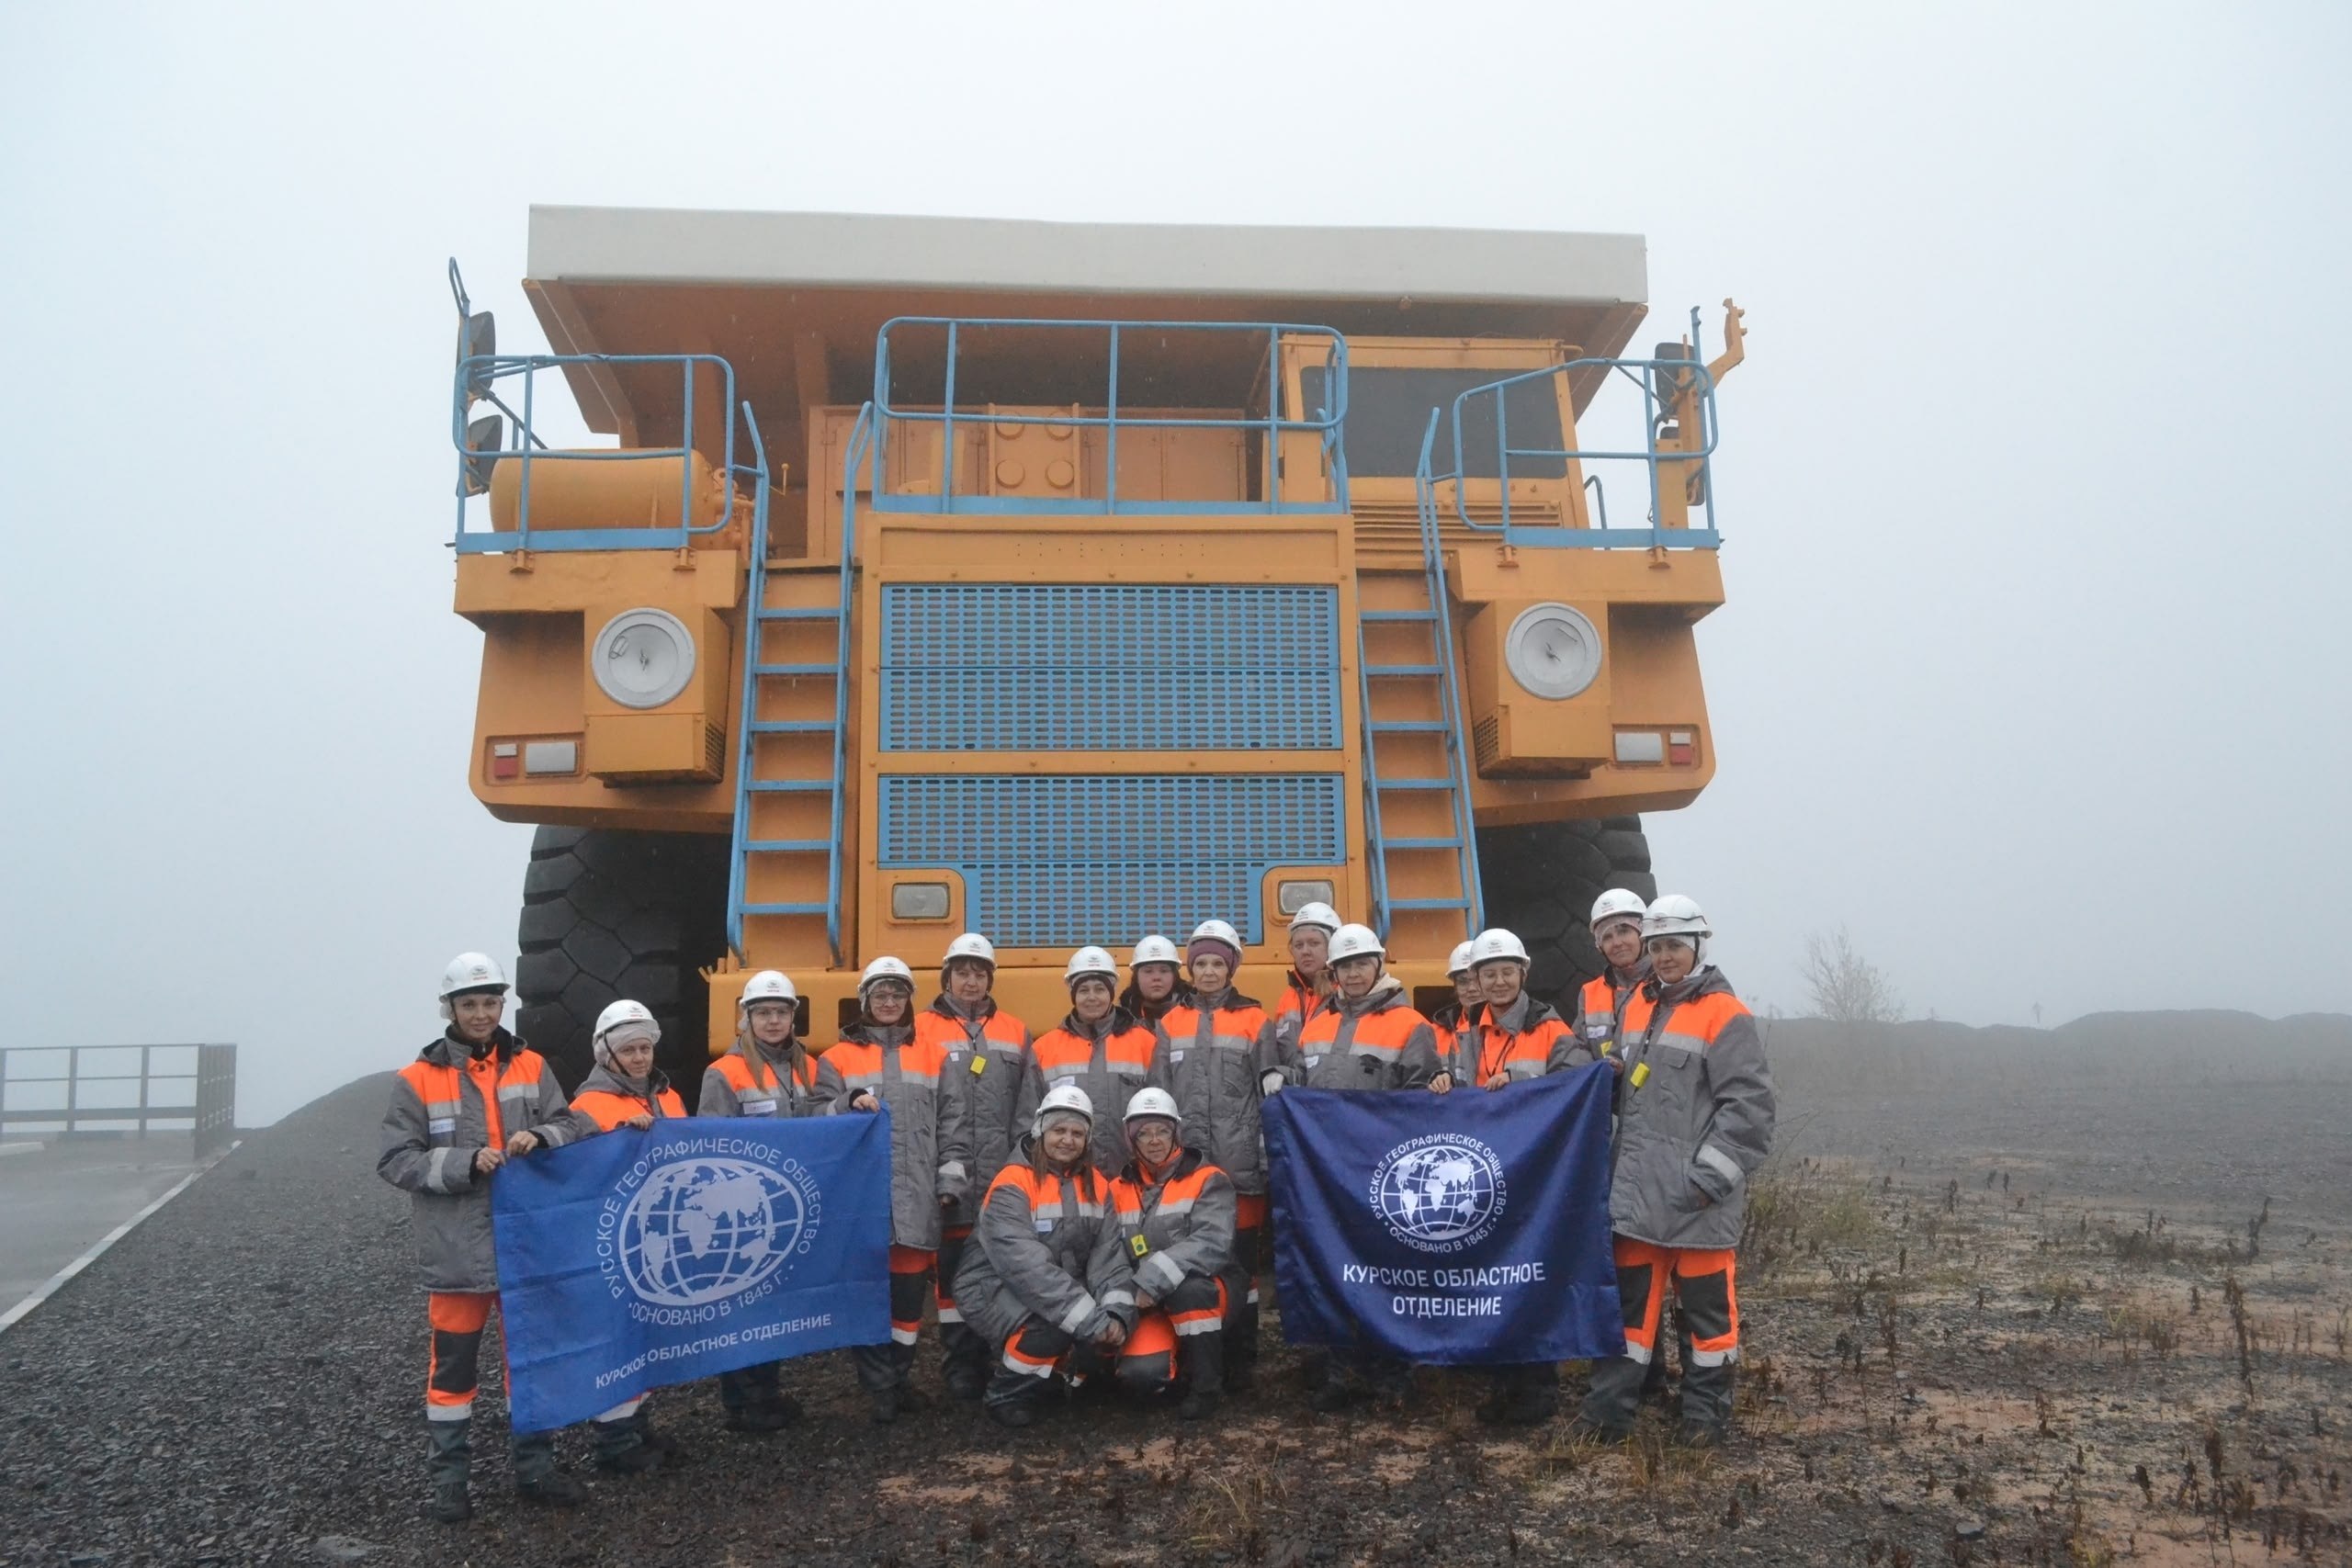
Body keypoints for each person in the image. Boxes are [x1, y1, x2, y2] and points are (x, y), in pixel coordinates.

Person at [379, 953, 589, 1523]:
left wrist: (540, 1137)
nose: (480, 1013)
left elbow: (570, 1124)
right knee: (452, 1374)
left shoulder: (533, 1065)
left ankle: (536, 1470)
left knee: (530, 1363)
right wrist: (466, 1163)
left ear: (503, 1005)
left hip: (526, 1250)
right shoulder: (416, 1080)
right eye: (468, 1003)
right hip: (457, 1255)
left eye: (489, 1002)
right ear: (449, 1008)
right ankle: (449, 1484)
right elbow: (396, 1161)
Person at [1571, 896, 1775, 1449]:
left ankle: (1704, 1418)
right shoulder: (1637, 1004)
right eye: (1657, 947)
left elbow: (1749, 1112)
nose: (1664, 957)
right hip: (1637, 1198)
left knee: (1707, 1322)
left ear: (1697, 948)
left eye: (1674, 947)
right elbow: (1625, 1082)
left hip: (1696, 1202)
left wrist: (1706, 1182)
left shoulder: (1726, 1015)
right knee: (1628, 1320)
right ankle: (1608, 1415)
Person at [1295, 923, 1447, 1411]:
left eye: (1362, 963)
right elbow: (1302, 1085)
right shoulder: (1317, 1022)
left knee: (1388, 1273)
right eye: (1345, 966)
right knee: (1335, 1268)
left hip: (1384, 1173)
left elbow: (1422, 1102)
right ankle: (1340, 1369)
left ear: (1379, 965)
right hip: (1326, 1174)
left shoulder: (1410, 1024)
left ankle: (1392, 1372)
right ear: (1333, 972)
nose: (1354, 973)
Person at [535, 999, 688, 1475]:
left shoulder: (671, 1098)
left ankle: (637, 1425)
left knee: (645, 1335)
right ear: (606, 1055)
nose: (641, 1057)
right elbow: (575, 1172)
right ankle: (614, 1443)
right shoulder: (587, 1106)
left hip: (662, 1238)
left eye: (646, 1047)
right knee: (616, 1337)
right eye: (630, 1049)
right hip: (617, 1242)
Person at [821, 954, 975, 1422]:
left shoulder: (934, 1054)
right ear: (864, 1000)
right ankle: (880, 1387)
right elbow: (814, 1116)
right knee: (868, 1300)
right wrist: (845, 1102)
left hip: (916, 1201)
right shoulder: (836, 1058)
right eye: (880, 995)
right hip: (861, 1203)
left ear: (909, 1001)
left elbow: (954, 1122)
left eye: (897, 994)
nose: (889, 1002)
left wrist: (949, 1181)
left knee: (908, 1302)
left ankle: (899, 1379)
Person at [1445, 928, 1577, 1426]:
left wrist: (1522, 1083)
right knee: (1490, 1282)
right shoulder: (1467, 1035)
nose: (1498, 981)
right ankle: (1503, 1383)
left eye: (1506, 972)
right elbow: (1461, 1095)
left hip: (1535, 1178)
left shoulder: (1551, 1028)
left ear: (1523, 974)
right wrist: (1443, 1084)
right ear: (1475, 979)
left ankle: (1538, 1390)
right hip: (1483, 1180)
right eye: (1488, 973)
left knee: (1528, 1279)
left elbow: (1580, 1081)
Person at [953, 1084, 1138, 1428]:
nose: (1067, 1140)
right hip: (989, 1284)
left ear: (1088, 1139)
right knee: (1051, 1326)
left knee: (1079, 1323)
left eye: (1077, 1133)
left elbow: (1109, 1259)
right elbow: (1026, 1268)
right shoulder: (1013, 1183)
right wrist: (1090, 1320)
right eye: (1058, 1130)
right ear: (1040, 1131)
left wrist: (1117, 1314)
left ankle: (1049, 1376)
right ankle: (1005, 1395)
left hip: (1054, 1286)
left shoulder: (1097, 1185)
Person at [1155, 918, 1283, 1392]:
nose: (1208, 972)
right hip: (1187, 1173)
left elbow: (1268, 1094)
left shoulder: (1256, 1019)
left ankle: (1242, 1357)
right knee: (1193, 1262)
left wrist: (1266, 1159)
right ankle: (1197, 1356)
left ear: (1231, 969)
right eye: (1201, 963)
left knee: (1241, 1267)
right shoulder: (1169, 1024)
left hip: (1240, 1166)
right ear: (1190, 968)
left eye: (1217, 963)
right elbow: (1159, 1101)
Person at [696, 969, 817, 1433]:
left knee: (774, 1305)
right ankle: (741, 1404)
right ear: (745, 1018)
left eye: (781, 1012)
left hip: (787, 1207)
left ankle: (767, 1392)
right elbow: (711, 1142)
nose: (772, 1021)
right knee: (740, 1306)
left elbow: (825, 1113)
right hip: (740, 1211)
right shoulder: (723, 1072)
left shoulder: (808, 1066)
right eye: (763, 1012)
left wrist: (855, 1101)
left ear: (793, 1017)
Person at [914, 931, 1030, 1400]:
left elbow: (1028, 1105)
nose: (970, 981)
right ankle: (961, 1366)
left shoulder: (1016, 1031)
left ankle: (1006, 1353)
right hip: (951, 1177)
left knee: (1005, 1267)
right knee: (953, 1274)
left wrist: (1019, 1165)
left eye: (978, 973)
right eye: (961, 972)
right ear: (947, 977)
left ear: (989, 979)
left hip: (1003, 1176)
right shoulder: (919, 1029)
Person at [1108, 1089, 1238, 1419]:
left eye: (1163, 1131)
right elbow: (1107, 1250)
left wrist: (1152, 1280)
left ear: (1176, 1133)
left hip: (1202, 1291)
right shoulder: (1115, 1189)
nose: (1154, 1141)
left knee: (1191, 1290)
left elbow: (1211, 1242)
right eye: (1145, 1133)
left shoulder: (1208, 1179)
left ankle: (1206, 1387)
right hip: (1142, 1299)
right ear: (1131, 1140)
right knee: (1142, 1377)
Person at [1021, 946, 1163, 1179]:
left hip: (1131, 1178)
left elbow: (1160, 1116)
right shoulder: (1045, 1049)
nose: (1092, 997)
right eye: (1084, 990)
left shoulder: (1145, 1043)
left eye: (1100, 989)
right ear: (1073, 995)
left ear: (1111, 993)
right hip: (1067, 1180)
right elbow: (1027, 1120)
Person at [1561, 888, 1652, 1066]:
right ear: (1599, 945)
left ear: (1643, 933)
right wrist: (1601, 1069)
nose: (1617, 943)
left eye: (1624, 931)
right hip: (1605, 1091)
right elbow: (1577, 1051)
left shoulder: (1666, 985)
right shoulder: (1590, 993)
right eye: (1607, 937)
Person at [1271, 900, 1341, 1056]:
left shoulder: (1348, 995)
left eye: (1314, 943)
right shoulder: (1288, 999)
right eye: (1298, 945)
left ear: (1333, 947)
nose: (1305, 951)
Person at [1429, 940, 1481, 1073]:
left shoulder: (1510, 1029)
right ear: (1455, 987)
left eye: (1478, 980)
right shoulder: (1434, 1034)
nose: (1471, 989)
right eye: (1463, 982)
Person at [1118, 934, 1192, 1026]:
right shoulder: (1120, 1020)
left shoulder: (1195, 1011)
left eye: (1164, 971)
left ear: (1175, 976)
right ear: (1136, 977)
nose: (1156, 977)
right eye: (1148, 971)